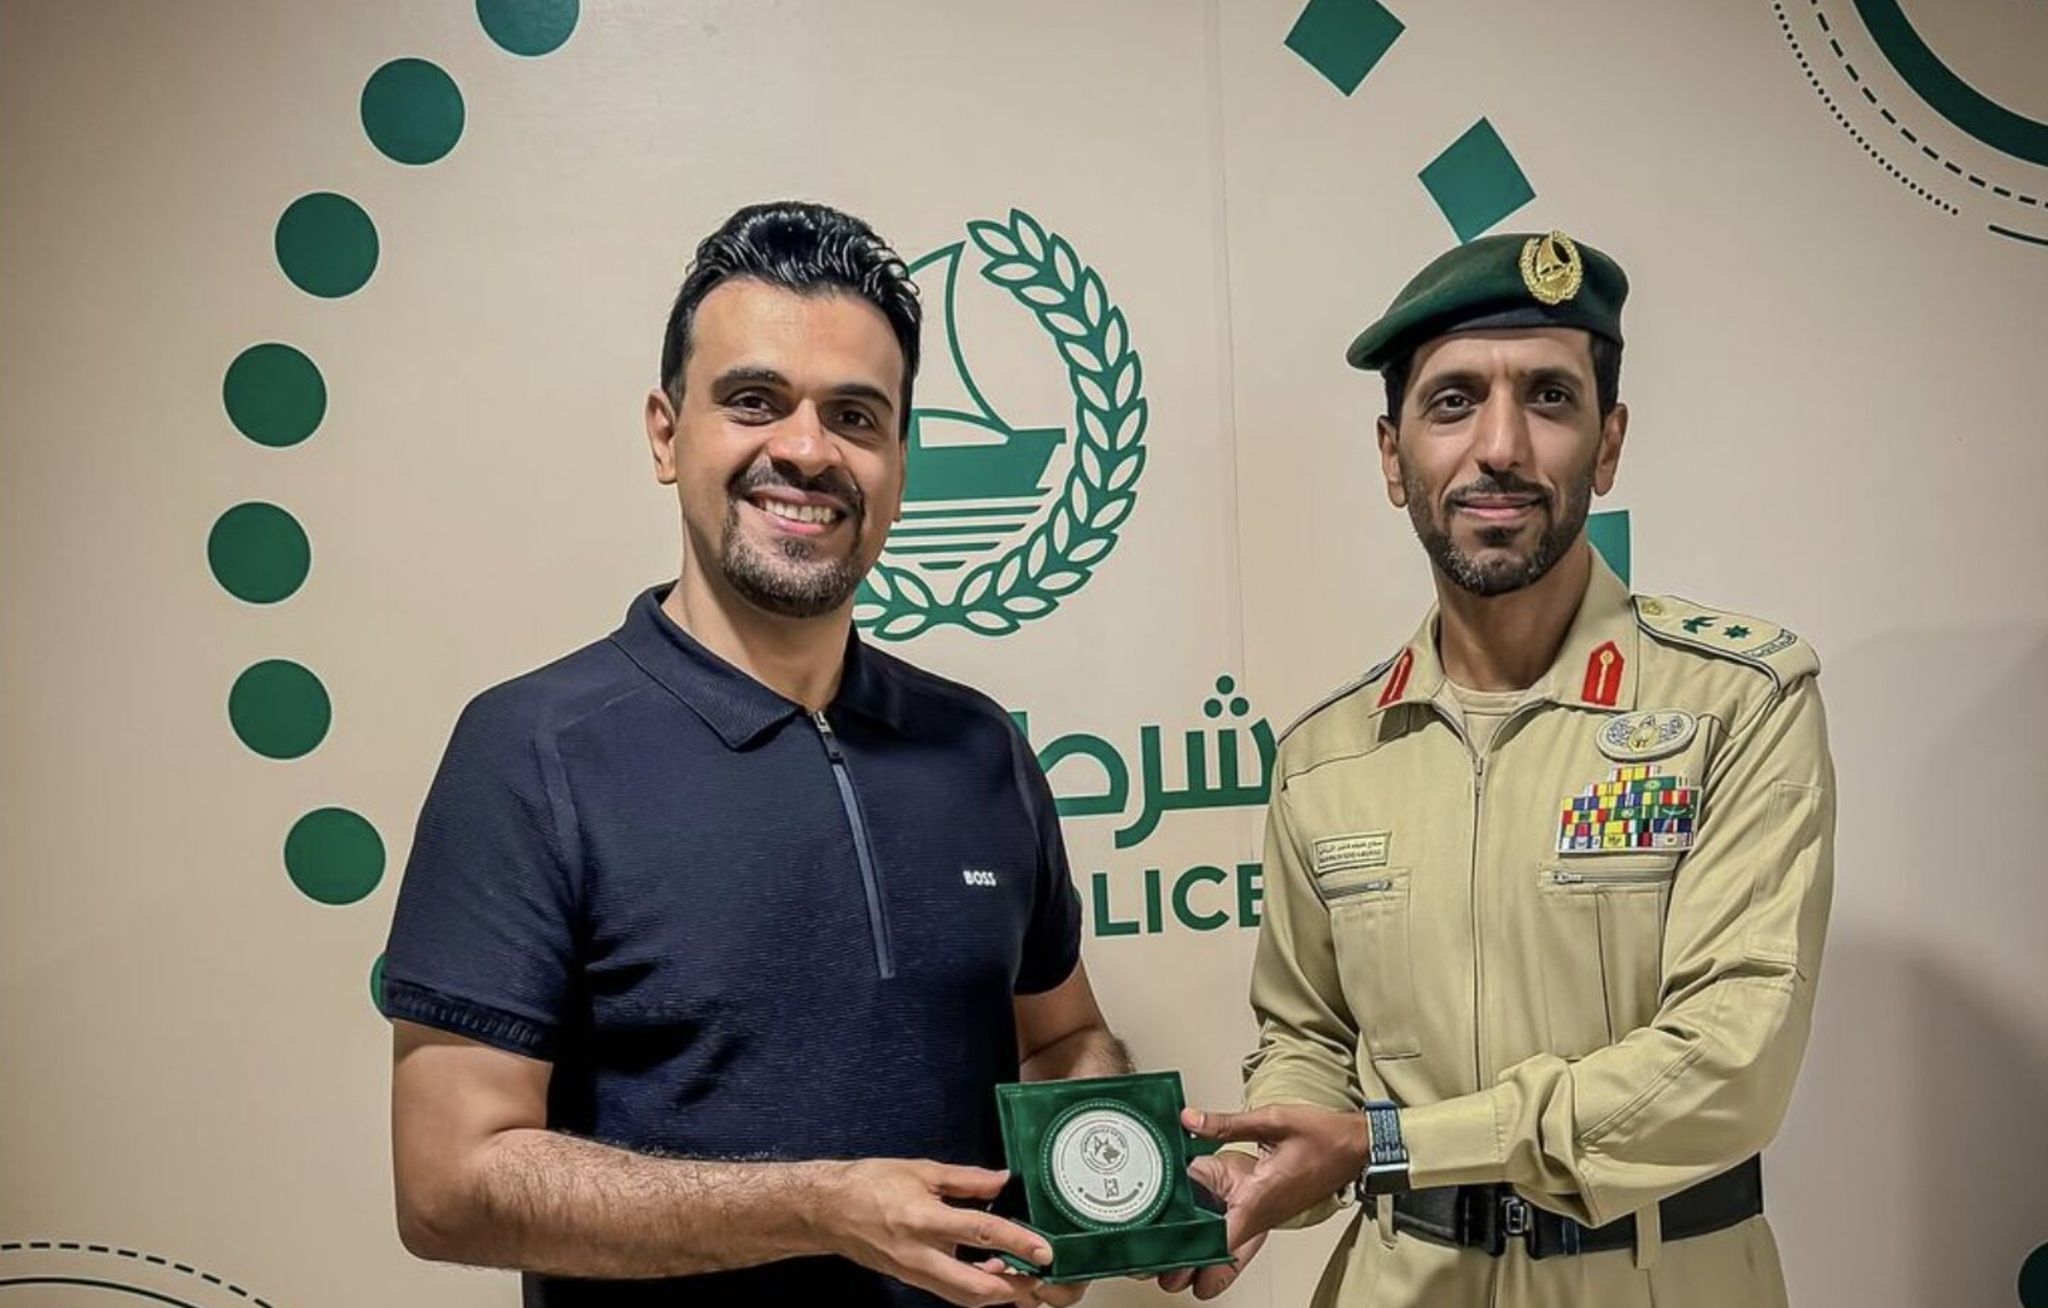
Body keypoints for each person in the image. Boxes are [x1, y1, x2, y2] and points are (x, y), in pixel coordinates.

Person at [381, 201, 1129, 1308]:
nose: (806, 450)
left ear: (898, 460)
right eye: (753, 401)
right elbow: (448, 1184)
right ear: (664, 431)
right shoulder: (532, 747)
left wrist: (1101, 1192)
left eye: (856, 416)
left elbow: (1065, 1038)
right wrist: (817, 1208)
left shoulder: (980, 746)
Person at [1168, 231, 1835, 1306]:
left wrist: (1388, 1145)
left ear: (1605, 444)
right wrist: (1255, 1174)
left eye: (1548, 398)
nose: (1499, 446)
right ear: (1391, 457)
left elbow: (1730, 1062)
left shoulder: (1734, 704)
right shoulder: (1323, 758)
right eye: (1451, 402)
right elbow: (1308, 1041)